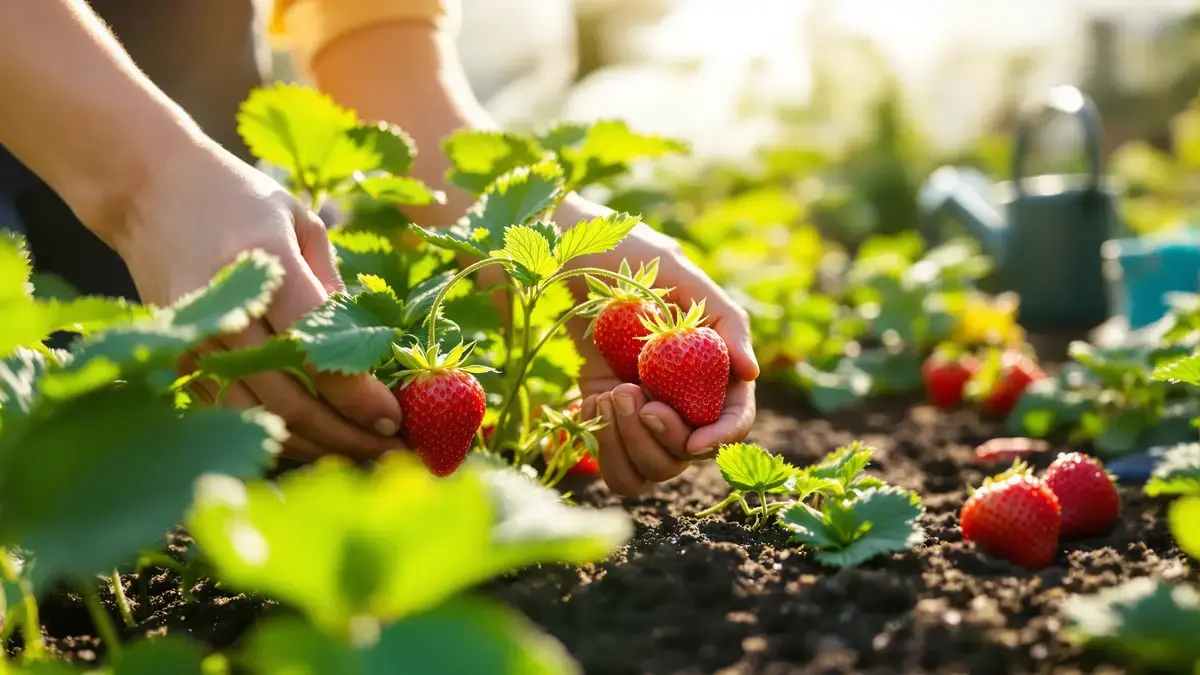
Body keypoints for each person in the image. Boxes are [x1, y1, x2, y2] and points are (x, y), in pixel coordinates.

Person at [0, 0, 758, 496]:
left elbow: (377, 46)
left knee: (275, 353)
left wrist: (525, 227)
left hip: (178, 87)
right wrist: (147, 186)